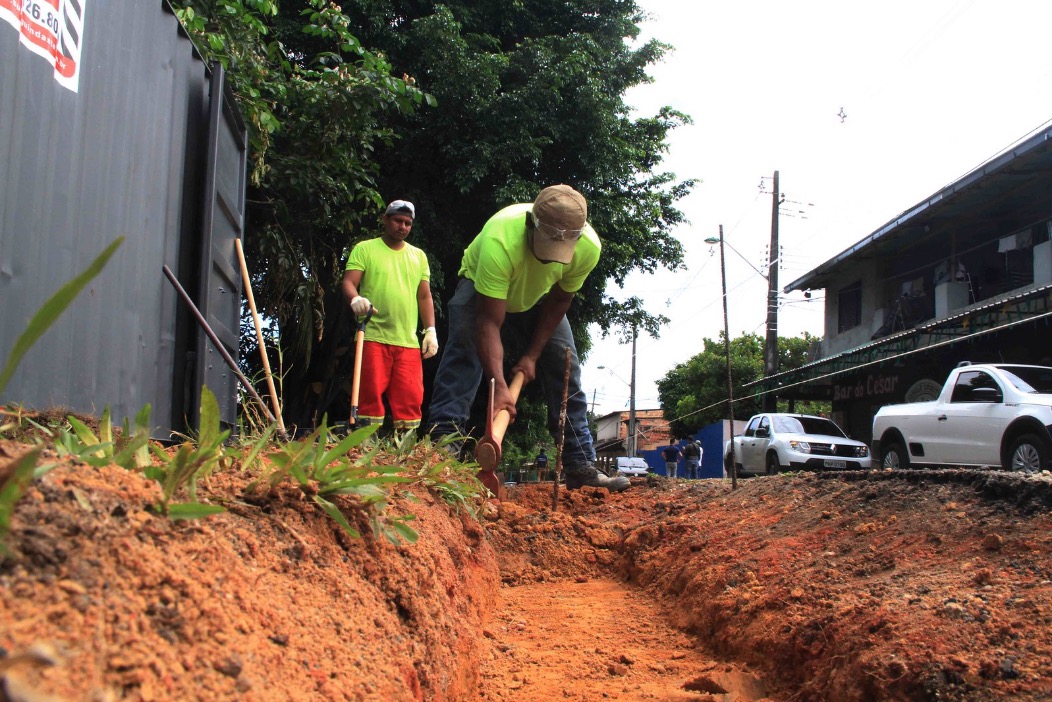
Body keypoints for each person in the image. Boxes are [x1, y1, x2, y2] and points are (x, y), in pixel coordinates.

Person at [427, 185, 629, 491]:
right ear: (530, 224)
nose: (552, 259)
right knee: (464, 349)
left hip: (538, 298)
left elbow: (560, 300)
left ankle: (579, 466)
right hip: (481, 289)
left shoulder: (589, 247)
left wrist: (532, 355)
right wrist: (500, 389)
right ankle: (442, 452)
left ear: (578, 235)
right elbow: (488, 322)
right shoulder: (501, 239)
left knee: (565, 362)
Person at [341, 200, 437, 431]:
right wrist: (355, 299)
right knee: (368, 398)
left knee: (410, 399)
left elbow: (424, 297)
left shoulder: (419, 256)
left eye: (407, 223)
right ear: (385, 220)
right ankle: (364, 450)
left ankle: (403, 455)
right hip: (372, 336)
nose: (402, 227)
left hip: (407, 341)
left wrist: (431, 331)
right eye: (397, 221)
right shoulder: (365, 249)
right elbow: (348, 282)